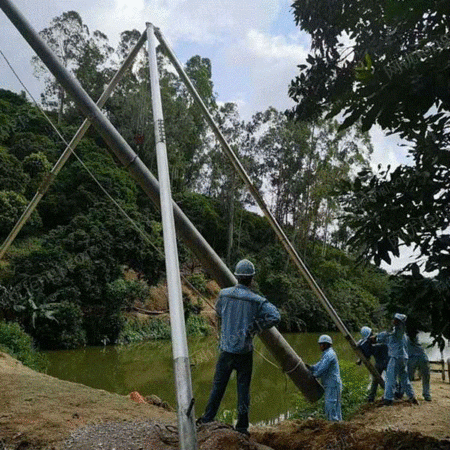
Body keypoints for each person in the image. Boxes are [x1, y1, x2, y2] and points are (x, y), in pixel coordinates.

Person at [197, 259, 280, 435]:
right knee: (243, 391)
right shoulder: (256, 300)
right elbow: (275, 316)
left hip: (226, 351)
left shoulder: (224, 294)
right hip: (244, 353)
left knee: (218, 387)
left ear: (236, 277)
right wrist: (256, 326)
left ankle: (207, 419)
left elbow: (219, 312)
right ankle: (242, 428)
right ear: (251, 279)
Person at [372, 313, 418, 406]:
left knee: (390, 378)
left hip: (396, 357)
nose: (393, 321)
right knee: (404, 379)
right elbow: (386, 339)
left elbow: (385, 336)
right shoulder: (401, 334)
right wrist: (377, 339)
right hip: (403, 358)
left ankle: (388, 399)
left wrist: (376, 337)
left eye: (395, 320)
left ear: (398, 321)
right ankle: (412, 397)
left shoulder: (398, 331)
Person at [309, 334, 342, 421]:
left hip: (332, 384)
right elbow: (318, 365)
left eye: (321, 344)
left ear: (326, 344)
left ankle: (334, 424)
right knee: (333, 405)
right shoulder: (326, 354)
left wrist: (314, 376)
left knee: (331, 404)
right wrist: (310, 367)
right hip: (330, 384)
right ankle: (337, 424)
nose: (320, 346)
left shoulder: (329, 355)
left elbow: (322, 369)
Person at [356, 326, 389, 402]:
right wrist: (360, 358)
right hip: (378, 362)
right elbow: (366, 353)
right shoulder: (367, 342)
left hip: (387, 361)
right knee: (375, 380)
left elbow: (384, 345)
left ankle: (392, 394)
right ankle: (371, 398)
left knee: (390, 379)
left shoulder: (381, 338)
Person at [407, 329, 431, 401]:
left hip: (419, 358)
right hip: (414, 358)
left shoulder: (408, 338)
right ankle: (411, 395)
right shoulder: (406, 338)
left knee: (425, 376)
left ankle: (426, 395)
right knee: (409, 378)